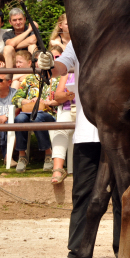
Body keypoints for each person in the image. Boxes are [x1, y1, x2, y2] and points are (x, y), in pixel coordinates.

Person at [38, 42, 130, 258]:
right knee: (83, 194)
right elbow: (61, 67)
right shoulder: (79, 40)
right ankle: (75, 253)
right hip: (87, 133)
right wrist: (47, 64)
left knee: (122, 195)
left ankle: (124, 254)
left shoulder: (122, 35)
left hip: (121, 132)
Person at [11, 50, 58, 173]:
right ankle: (22, 156)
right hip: (28, 112)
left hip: (49, 113)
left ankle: (48, 155)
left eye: (42, 60)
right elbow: (15, 99)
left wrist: (47, 102)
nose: (39, 63)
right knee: (19, 119)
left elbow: (61, 99)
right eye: (36, 60)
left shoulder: (56, 79)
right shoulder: (29, 78)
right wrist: (27, 101)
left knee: (37, 118)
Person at [50, 46, 75, 184]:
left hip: (88, 111)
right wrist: (67, 95)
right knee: (60, 127)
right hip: (69, 108)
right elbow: (58, 96)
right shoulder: (67, 72)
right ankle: (58, 169)